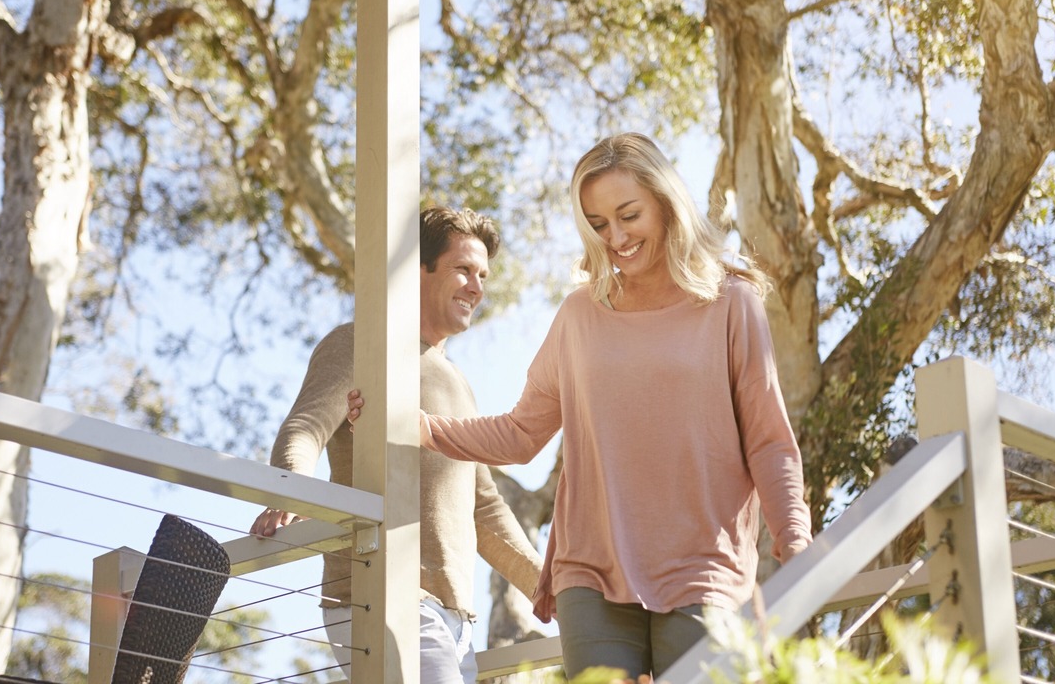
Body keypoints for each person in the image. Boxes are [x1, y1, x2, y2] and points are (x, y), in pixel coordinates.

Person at [348, 133, 813, 680]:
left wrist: (794, 538)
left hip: (704, 568)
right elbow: (522, 434)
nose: (614, 237)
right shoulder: (580, 314)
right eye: (597, 224)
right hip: (589, 574)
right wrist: (415, 425)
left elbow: (768, 439)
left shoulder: (731, 303)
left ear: (665, 202)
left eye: (628, 215)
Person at [251, 206, 542, 684]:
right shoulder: (362, 343)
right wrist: (294, 487)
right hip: (381, 590)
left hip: (457, 620)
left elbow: (483, 506)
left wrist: (547, 585)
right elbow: (305, 426)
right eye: (463, 269)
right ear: (420, 269)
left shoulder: (458, 384)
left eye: (483, 275)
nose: (477, 286)